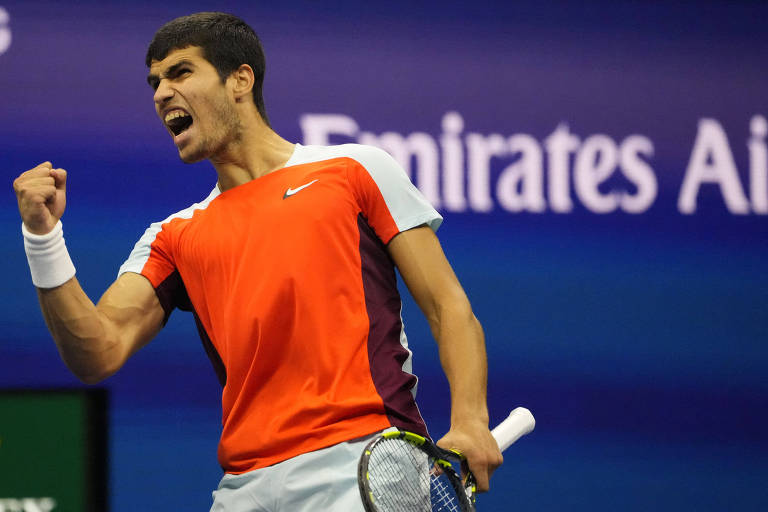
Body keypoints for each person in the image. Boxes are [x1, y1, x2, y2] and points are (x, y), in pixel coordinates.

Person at [13, 11, 502, 511]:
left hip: (362, 462)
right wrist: (43, 238)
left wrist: (469, 421)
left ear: (240, 80)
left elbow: (447, 306)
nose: (161, 93)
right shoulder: (172, 237)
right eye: (155, 82)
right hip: (244, 487)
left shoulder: (354, 170)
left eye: (181, 72)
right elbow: (97, 351)